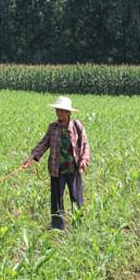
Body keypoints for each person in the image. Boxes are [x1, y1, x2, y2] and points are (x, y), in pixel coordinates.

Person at [22, 96, 90, 230]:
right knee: (56, 199)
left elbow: (84, 144)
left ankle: (78, 226)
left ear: (68, 112)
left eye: (62, 111)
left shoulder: (77, 126)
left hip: (73, 168)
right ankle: (57, 227)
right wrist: (32, 157)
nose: (59, 113)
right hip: (56, 169)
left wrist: (84, 159)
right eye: (58, 111)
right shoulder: (53, 128)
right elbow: (44, 143)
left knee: (76, 198)